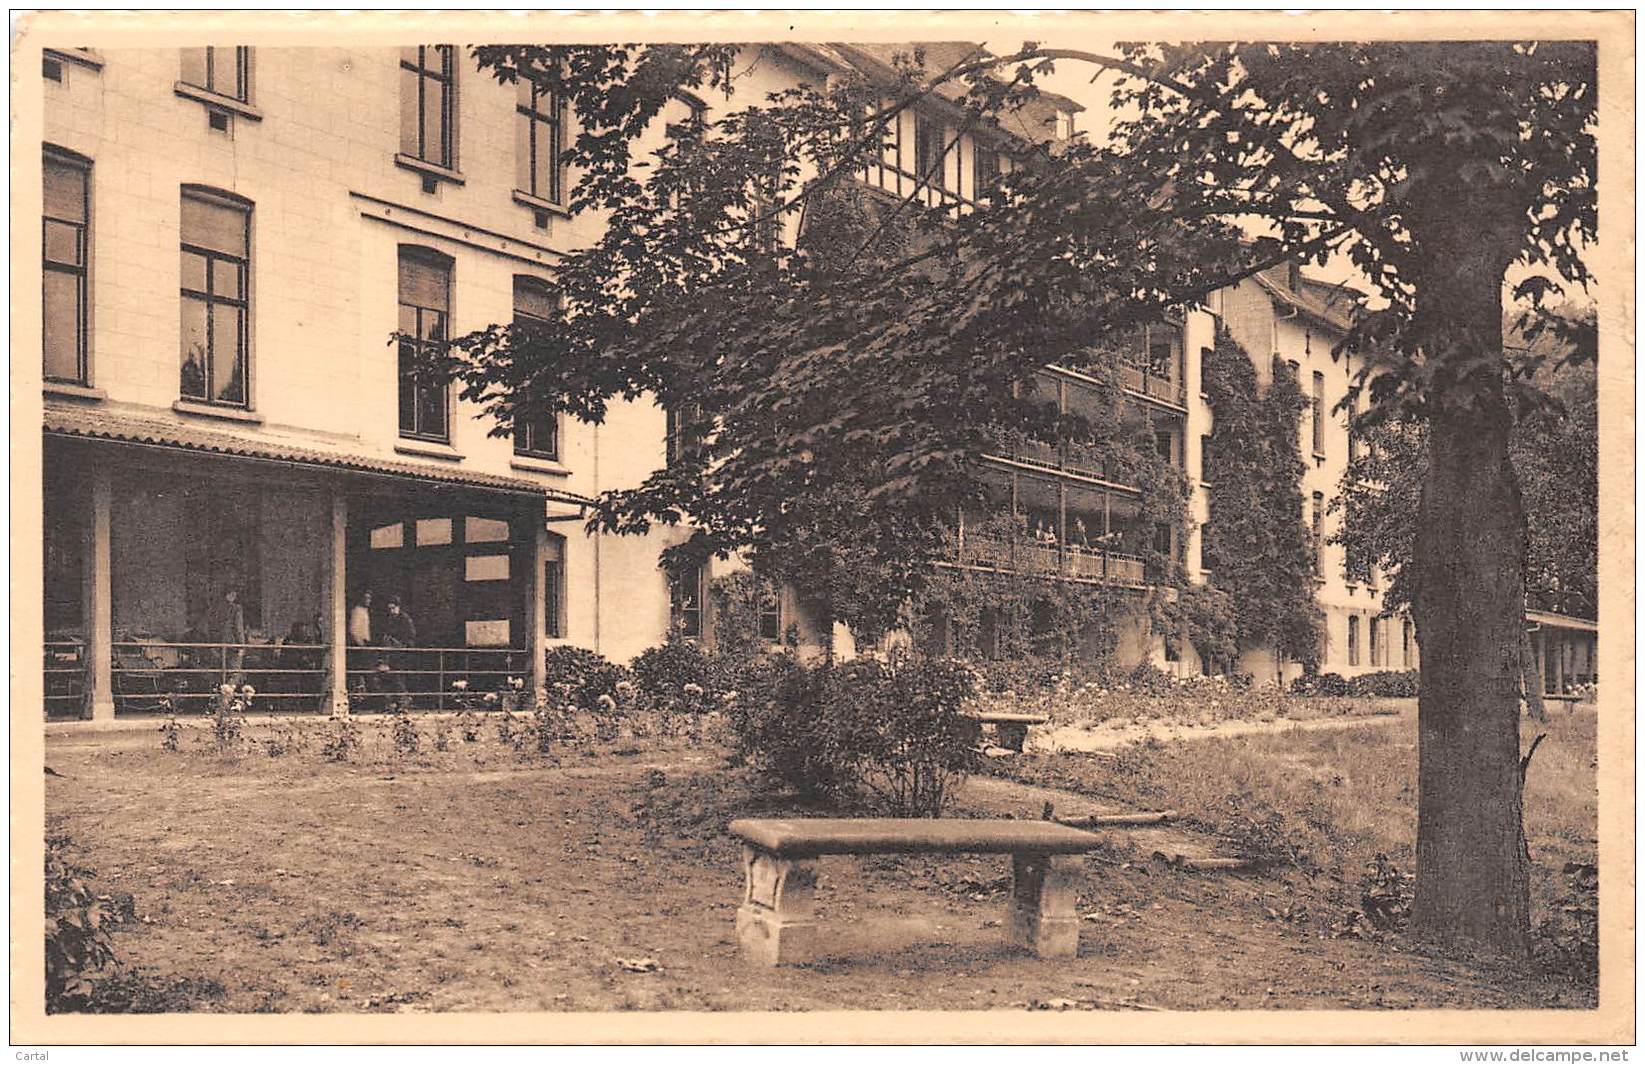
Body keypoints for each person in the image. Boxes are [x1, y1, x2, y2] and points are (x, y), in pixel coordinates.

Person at [376, 596, 417, 711]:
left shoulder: (405, 619)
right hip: (393, 653)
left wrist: (401, 644)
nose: (392, 611)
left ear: (398, 607)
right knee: (392, 678)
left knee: (399, 677)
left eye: (393, 608)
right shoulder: (390, 619)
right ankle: (395, 703)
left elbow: (410, 636)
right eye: (389, 609)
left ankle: (403, 702)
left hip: (401, 652)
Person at [213, 587, 247, 687]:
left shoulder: (215, 609)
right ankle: (228, 697)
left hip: (217, 645)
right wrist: (241, 645)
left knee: (220, 674)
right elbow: (238, 628)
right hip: (232, 645)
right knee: (234, 673)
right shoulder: (236, 608)